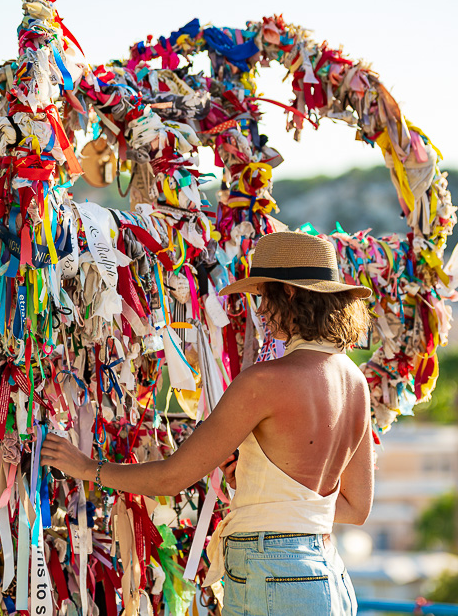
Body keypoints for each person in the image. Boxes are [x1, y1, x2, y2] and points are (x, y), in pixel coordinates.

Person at [42, 230, 375, 615]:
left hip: (274, 576)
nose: (261, 311)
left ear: (290, 294)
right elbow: (356, 507)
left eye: (264, 295)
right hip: (327, 576)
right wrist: (263, 492)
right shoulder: (355, 382)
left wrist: (87, 468)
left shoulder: (264, 382)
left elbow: (172, 478)